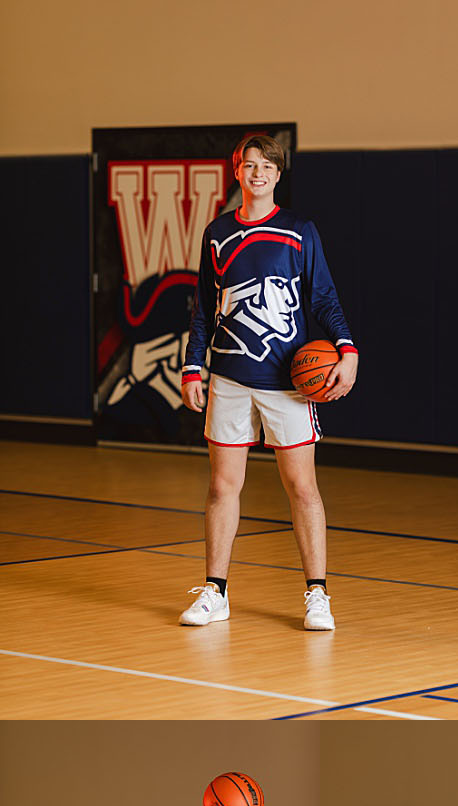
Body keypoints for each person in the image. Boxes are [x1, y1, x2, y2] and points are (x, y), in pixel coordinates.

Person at [179, 131, 358, 632]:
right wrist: (193, 366)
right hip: (230, 377)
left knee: (302, 487)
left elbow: (323, 298)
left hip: (288, 383)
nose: (257, 173)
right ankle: (215, 591)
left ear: (278, 175)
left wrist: (348, 348)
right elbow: (203, 310)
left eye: (266, 166)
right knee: (221, 486)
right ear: (236, 172)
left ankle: (317, 594)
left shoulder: (300, 230)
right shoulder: (216, 233)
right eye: (249, 165)